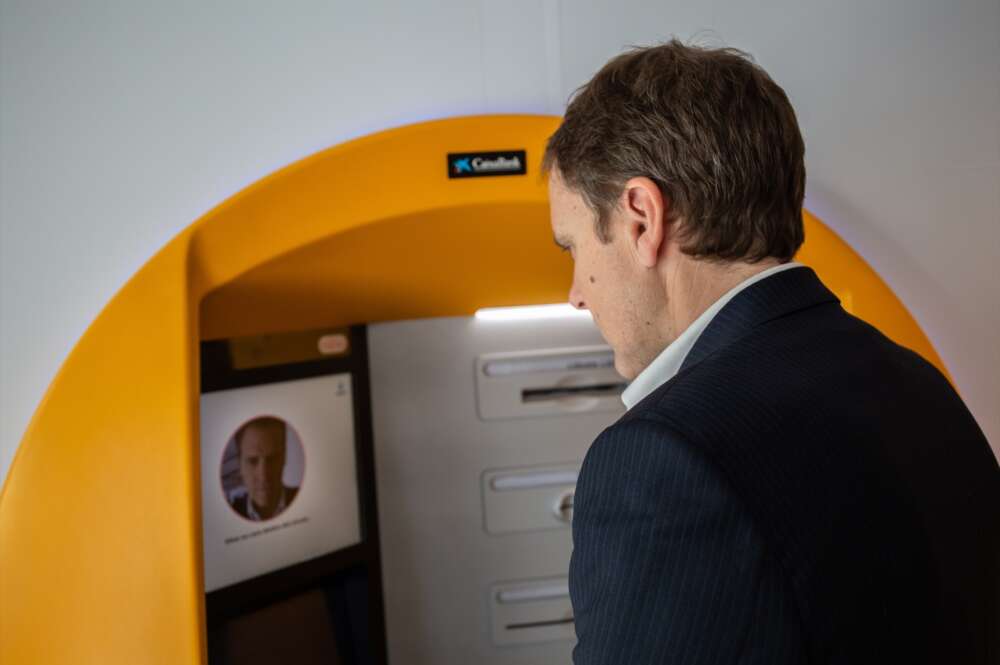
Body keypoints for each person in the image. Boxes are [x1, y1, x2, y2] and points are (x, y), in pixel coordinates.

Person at [544, 39, 999, 664]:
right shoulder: (912, 380)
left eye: (571, 248)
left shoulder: (662, 457)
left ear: (642, 219)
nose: (575, 295)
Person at [229, 416, 299, 521]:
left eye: (272, 459)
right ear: (240, 465)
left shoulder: (307, 500)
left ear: (284, 458)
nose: (263, 475)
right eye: (252, 461)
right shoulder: (229, 514)